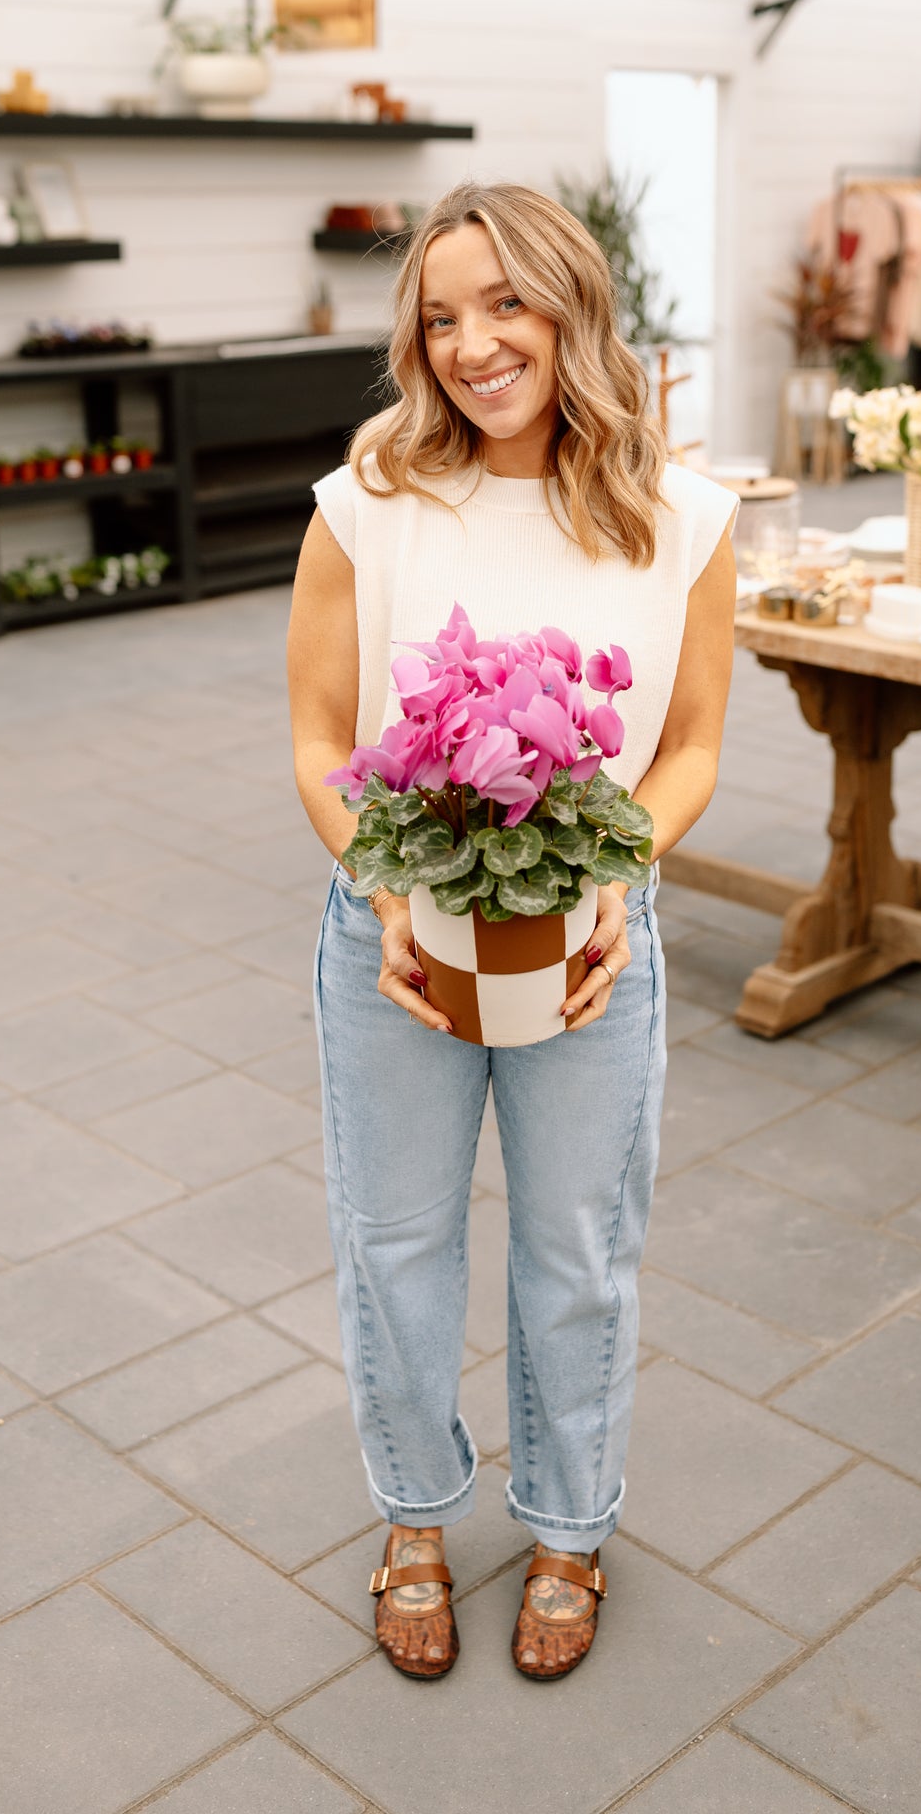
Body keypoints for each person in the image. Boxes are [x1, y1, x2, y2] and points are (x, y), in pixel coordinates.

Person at [288, 181, 737, 1682]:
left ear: (570, 309)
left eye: (504, 305)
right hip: (394, 942)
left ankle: (568, 1528)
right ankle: (415, 1515)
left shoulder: (682, 517)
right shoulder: (366, 502)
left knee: (578, 1250)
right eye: (439, 317)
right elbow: (318, 741)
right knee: (396, 1238)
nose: (472, 345)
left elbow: (689, 746)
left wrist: (617, 876)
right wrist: (385, 897)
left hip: (593, 943)